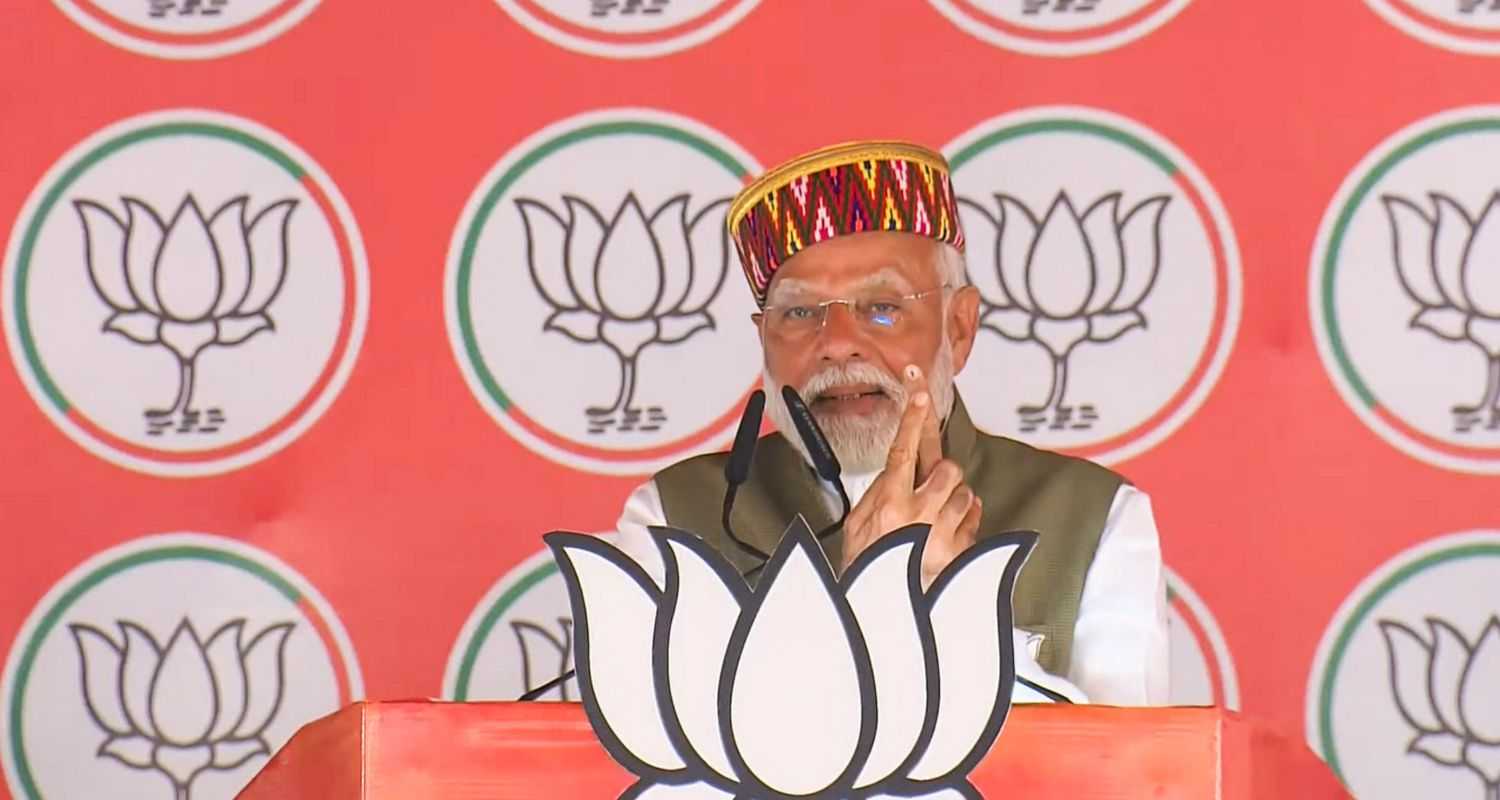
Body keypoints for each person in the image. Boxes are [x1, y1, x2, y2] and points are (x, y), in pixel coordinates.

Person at [614, 140, 1168, 706]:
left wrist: (951, 615)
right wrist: (865, 604)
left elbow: (1132, 773)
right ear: (764, 341)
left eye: (882, 307)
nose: (836, 345)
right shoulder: (673, 514)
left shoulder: (1093, 515)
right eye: (800, 312)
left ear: (958, 327)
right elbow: (643, 768)